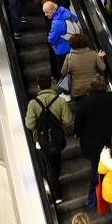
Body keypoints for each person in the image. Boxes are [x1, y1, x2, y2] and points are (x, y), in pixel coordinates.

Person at [74, 74, 112, 207]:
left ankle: (95, 197)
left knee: (96, 169)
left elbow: (78, 122)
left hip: (92, 144)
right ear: (104, 87)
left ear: (91, 87)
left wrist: (78, 134)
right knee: (111, 164)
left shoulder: (84, 102)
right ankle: (110, 190)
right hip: (110, 141)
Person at [25, 73, 72, 204]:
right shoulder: (60, 101)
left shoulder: (33, 104)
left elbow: (29, 124)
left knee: (50, 165)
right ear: (51, 85)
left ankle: (57, 195)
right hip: (57, 138)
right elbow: (68, 120)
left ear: (38, 86)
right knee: (56, 161)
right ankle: (55, 179)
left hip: (42, 141)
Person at [61, 33, 106, 102]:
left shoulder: (69, 57)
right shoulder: (93, 53)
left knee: (82, 109)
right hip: (93, 87)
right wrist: (100, 57)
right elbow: (102, 67)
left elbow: (63, 72)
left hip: (77, 90)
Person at [44, 1, 80, 80]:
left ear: (53, 10)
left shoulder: (57, 22)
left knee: (63, 73)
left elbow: (51, 39)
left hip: (62, 50)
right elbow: (76, 20)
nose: (45, 15)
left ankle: (66, 91)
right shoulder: (66, 12)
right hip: (73, 47)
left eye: (47, 12)